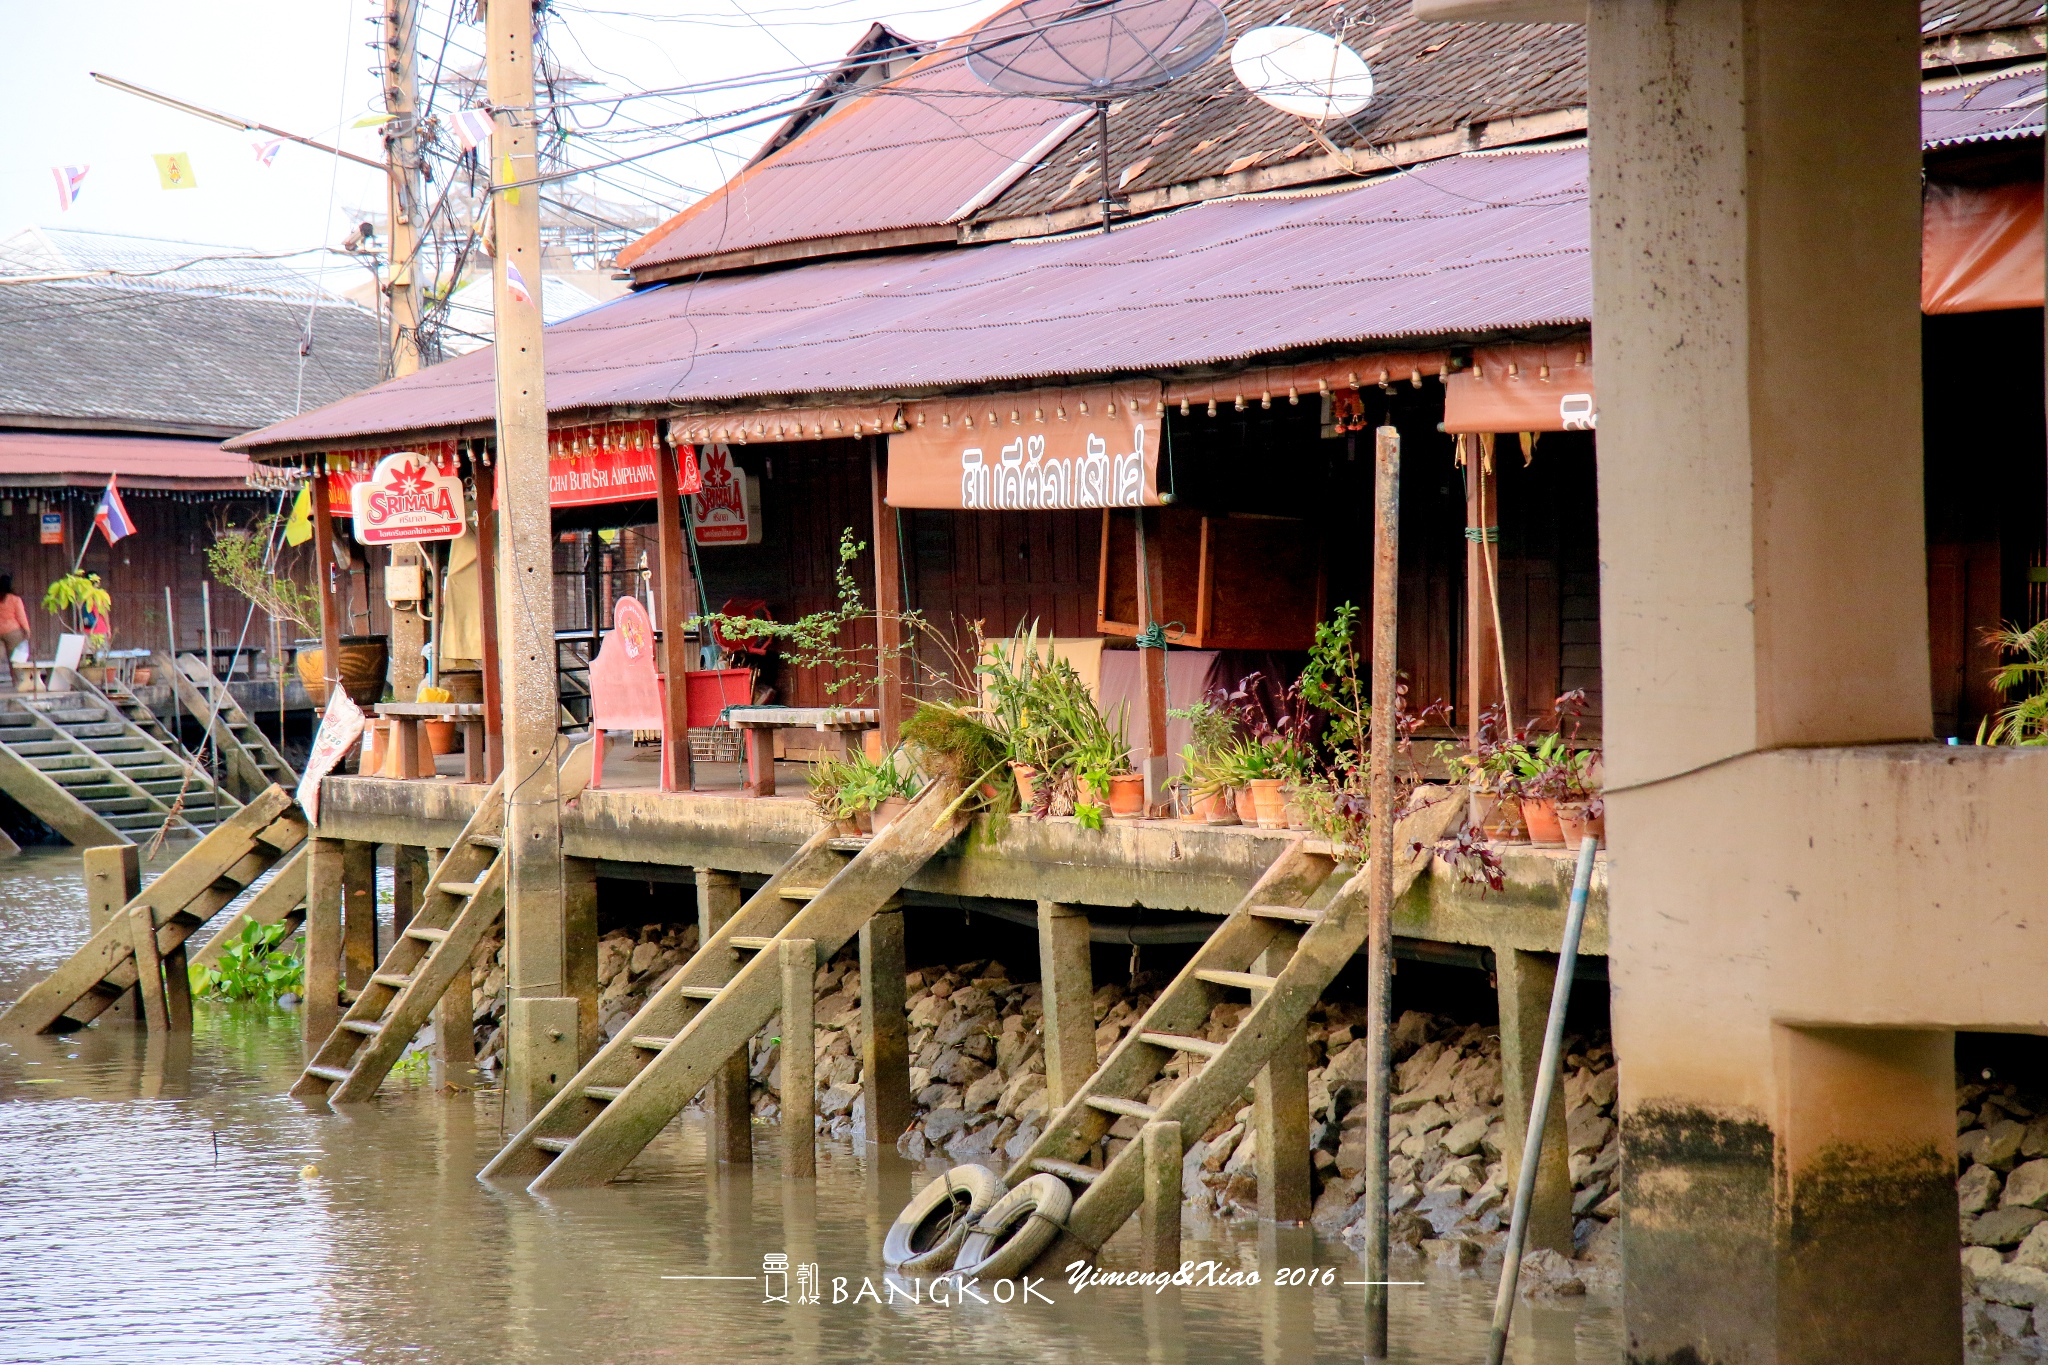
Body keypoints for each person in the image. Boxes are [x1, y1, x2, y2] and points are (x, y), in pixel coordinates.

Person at [0, 575, 30, 681]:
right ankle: (19, 683)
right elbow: (21, 616)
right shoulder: (15, 599)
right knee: (16, 660)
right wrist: (26, 630)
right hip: (13, 632)